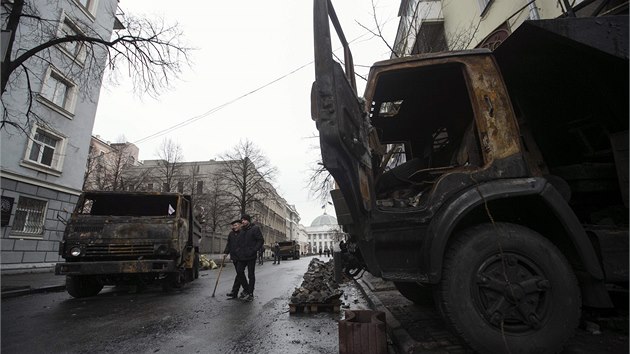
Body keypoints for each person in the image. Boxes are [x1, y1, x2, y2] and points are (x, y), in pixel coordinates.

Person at [235, 214, 264, 302]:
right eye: (242, 220)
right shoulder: (241, 230)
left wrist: (254, 250)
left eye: (244, 220)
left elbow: (260, 240)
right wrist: (238, 251)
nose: (242, 221)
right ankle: (246, 289)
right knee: (239, 271)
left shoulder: (255, 228)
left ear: (248, 220)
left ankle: (250, 293)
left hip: (251, 255)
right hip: (242, 256)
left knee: (251, 275)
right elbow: (238, 242)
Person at [224, 219, 244, 299]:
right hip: (234, 257)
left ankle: (235, 291)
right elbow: (229, 244)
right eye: (233, 225)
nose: (234, 227)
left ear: (240, 225)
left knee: (239, 273)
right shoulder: (231, 234)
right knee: (239, 274)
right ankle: (236, 292)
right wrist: (226, 252)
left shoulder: (243, 233)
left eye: (236, 225)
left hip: (242, 257)